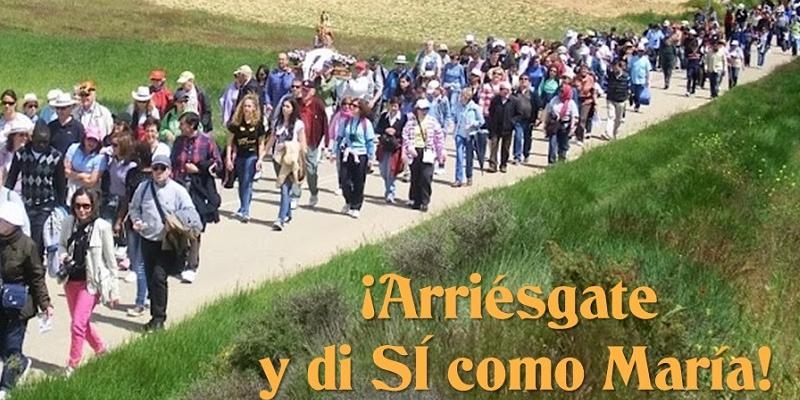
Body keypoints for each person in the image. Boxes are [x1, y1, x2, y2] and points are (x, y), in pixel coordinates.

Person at [129, 154, 201, 332]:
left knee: (158, 277)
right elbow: (134, 207)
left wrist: (176, 221)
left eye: (163, 168)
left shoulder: (178, 191)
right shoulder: (143, 188)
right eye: (156, 168)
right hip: (147, 239)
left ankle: (159, 319)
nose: (159, 172)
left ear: (169, 170)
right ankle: (154, 316)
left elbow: (190, 213)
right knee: (150, 278)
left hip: (168, 242)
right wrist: (136, 221)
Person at [58, 187, 118, 376]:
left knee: (77, 324)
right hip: (71, 281)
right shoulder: (68, 222)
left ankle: (73, 364)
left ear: (93, 206)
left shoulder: (102, 227)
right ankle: (101, 350)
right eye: (78, 206)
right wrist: (63, 256)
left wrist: (114, 291)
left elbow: (111, 261)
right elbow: (61, 245)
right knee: (82, 323)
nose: (82, 210)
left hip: (91, 283)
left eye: (86, 206)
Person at [0, 201, 53, 398]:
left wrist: (45, 303)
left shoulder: (27, 245)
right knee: (3, 347)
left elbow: (37, 276)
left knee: (13, 346)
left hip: (18, 304)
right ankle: (22, 363)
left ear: (12, 222)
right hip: (0, 302)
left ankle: (5, 387)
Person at [169, 112, 220, 283]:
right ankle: (178, 262)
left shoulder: (207, 141)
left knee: (194, 227)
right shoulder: (178, 142)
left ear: (191, 125)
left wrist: (199, 169)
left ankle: (192, 264)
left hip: (198, 190)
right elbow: (172, 162)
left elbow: (217, 164)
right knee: (177, 226)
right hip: (180, 187)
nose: (180, 127)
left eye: (182, 124)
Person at [6, 121, 64, 256]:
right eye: (39, 142)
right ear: (32, 139)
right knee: (25, 237)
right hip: (26, 203)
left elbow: (60, 184)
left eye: (45, 142)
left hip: (45, 205)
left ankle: (36, 268)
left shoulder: (55, 156)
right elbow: (11, 179)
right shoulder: (21, 154)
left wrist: (61, 206)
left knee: (37, 239)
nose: (43, 145)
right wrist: (5, 199)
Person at [116, 142, 151, 318]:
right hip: (132, 222)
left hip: (148, 225)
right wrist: (120, 219)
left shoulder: (154, 175)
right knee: (137, 262)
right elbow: (126, 198)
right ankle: (146, 295)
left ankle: (140, 301)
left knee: (142, 264)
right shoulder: (131, 173)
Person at [264, 99, 306, 231]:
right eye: (283, 106)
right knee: (284, 187)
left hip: (290, 159)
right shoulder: (277, 122)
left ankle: (280, 219)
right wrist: (262, 155)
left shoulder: (298, 124)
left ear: (293, 109)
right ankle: (287, 213)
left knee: (284, 187)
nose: (284, 108)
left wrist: (290, 146)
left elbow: (302, 144)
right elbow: (272, 139)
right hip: (277, 159)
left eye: (287, 106)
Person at [225, 94, 266, 223]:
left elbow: (261, 143)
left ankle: (246, 210)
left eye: (249, 106)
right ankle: (243, 206)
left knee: (248, 181)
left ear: (254, 108)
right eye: (244, 106)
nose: (246, 108)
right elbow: (230, 142)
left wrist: (260, 159)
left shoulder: (258, 124)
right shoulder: (236, 124)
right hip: (240, 156)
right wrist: (229, 158)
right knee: (242, 182)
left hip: (252, 156)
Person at [335, 99, 376, 218]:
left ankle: (356, 205)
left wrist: (370, 158)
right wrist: (334, 152)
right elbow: (340, 137)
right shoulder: (346, 121)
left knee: (358, 181)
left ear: (361, 109)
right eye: (350, 105)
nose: (351, 108)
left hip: (361, 154)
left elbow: (369, 142)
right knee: (344, 180)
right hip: (347, 153)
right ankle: (348, 201)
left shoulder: (365, 123)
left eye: (355, 106)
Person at [402, 99, 445, 212]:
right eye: (421, 109)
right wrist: (409, 147)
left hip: (428, 152)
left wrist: (441, 153)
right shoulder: (411, 122)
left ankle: (425, 201)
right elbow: (405, 136)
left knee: (426, 177)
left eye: (426, 109)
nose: (424, 111)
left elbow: (439, 138)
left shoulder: (432, 122)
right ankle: (416, 200)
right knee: (415, 177)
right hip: (415, 152)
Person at [295, 80, 329, 208]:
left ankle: (313, 192)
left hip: (312, 141)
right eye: (302, 89)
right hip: (297, 141)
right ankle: (295, 195)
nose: (304, 92)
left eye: (307, 90)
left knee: (311, 169)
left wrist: (326, 141)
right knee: (296, 168)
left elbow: (325, 123)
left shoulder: (318, 104)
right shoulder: (296, 103)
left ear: (313, 91)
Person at [64, 125, 107, 204]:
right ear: (84, 138)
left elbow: (91, 182)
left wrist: (73, 175)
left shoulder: (100, 158)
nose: (91, 143)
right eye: (89, 139)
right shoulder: (73, 148)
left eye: (95, 141)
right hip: (72, 189)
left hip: (90, 193)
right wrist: (83, 175)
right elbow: (66, 172)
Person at [375, 97, 407, 203]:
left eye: (395, 106)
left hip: (395, 147)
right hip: (384, 145)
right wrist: (385, 130)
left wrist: (395, 131)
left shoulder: (403, 118)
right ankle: (388, 187)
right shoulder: (384, 116)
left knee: (392, 170)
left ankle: (390, 192)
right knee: (383, 170)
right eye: (391, 105)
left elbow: (405, 131)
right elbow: (377, 128)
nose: (393, 108)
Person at [451, 90, 484, 187]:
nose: (461, 98)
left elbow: (481, 121)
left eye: (463, 97)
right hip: (459, 134)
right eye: (461, 96)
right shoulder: (457, 106)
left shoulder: (475, 108)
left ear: (468, 98)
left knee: (469, 157)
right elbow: (454, 117)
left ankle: (469, 176)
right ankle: (458, 179)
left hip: (470, 135)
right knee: (459, 157)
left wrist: (473, 123)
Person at [544, 85, 579, 164]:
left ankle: (561, 161)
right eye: (560, 91)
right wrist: (545, 124)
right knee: (552, 144)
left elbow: (575, 117)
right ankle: (551, 162)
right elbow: (548, 112)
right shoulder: (554, 100)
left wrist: (572, 129)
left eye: (562, 91)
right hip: (554, 125)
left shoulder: (571, 103)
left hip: (565, 126)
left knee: (563, 145)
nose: (560, 93)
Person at [487, 81, 517, 173]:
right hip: (496, 127)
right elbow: (490, 112)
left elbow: (519, 114)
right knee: (494, 146)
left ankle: (503, 164)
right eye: (501, 89)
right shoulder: (495, 100)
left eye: (504, 89)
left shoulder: (514, 101)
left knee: (506, 148)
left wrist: (512, 122)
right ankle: (493, 165)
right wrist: (491, 123)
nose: (502, 91)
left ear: (508, 91)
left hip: (507, 128)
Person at [604, 60, 630, 140]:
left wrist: (629, 96)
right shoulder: (610, 75)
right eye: (613, 67)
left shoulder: (626, 77)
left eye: (616, 67)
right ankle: (608, 133)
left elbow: (629, 88)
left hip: (621, 100)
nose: (614, 69)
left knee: (618, 119)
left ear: (620, 67)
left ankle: (615, 132)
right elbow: (605, 84)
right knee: (611, 116)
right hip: (610, 99)